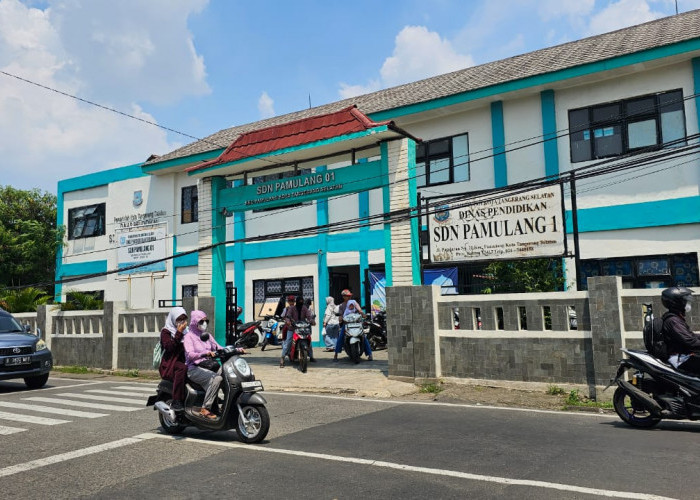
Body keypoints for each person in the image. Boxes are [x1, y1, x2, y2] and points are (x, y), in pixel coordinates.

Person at [183, 310, 243, 419]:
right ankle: (205, 408)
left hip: (208, 366)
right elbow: (190, 354)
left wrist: (237, 350)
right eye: (201, 321)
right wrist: (204, 353)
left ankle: (228, 404)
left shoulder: (207, 336)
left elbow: (219, 348)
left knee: (227, 375)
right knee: (217, 379)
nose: (204, 324)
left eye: (206, 321)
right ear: (195, 322)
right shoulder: (189, 337)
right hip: (194, 369)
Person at [661, 286, 700, 375]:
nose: (688, 303)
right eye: (686, 301)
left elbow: (690, 336)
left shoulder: (676, 318)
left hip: (682, 356)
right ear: (677, 302)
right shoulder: (673, 321)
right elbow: (690, 341)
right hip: (679, 358)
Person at [159, 307, 188, 411]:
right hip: (170, 363)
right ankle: (177, 401)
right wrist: (178, 333)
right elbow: (169, 347)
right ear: (173, 319)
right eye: (179, 319)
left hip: (184, 359)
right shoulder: (166, 332)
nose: (182, 322)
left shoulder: (187, 331)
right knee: (182, 368)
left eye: (184, 319)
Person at [333, 289, 373, 362]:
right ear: (343, 297)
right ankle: (336, 355)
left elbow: (359, 310)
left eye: (349, 296)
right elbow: (341, 314)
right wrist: (340, 319)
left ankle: (369, 354)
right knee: (341, 337)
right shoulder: (341, 305)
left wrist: (363, 314)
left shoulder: (354, 302)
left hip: (357, 324)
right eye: (346, 296)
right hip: (347, 325)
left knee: (364, 337)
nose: (348, 297)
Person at [280, 295, 316, 367]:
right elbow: (288, 316)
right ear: (296, 302)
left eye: (302, 303)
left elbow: (309, 316)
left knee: (309, 341)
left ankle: (311, 356)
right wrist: (288, 322)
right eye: (299, 303)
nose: (300, 304)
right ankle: (282, 359)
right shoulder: (292, 308)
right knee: (288, 343)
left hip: (302, 328)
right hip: (292, 328)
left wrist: (312, 321)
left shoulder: (304, 308)